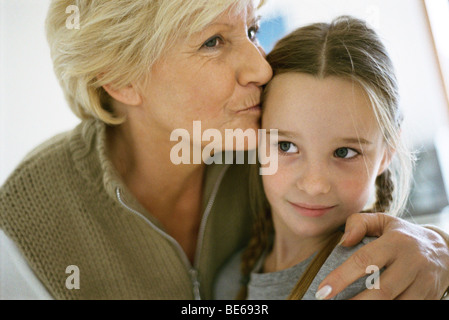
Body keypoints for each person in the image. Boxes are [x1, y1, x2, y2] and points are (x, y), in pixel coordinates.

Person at [0, 0, 448, 300]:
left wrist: (439, 247)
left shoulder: (264, 135)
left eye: (252, 29)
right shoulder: (25, 217)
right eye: (213, 41)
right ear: (120, 78)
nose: (261, 66)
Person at [214, 15, 427, 300]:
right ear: (257, 136)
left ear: (387, 152)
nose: (314, 184)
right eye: (286, 146)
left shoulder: (384, 277)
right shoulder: (231, 279)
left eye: (344, 152)